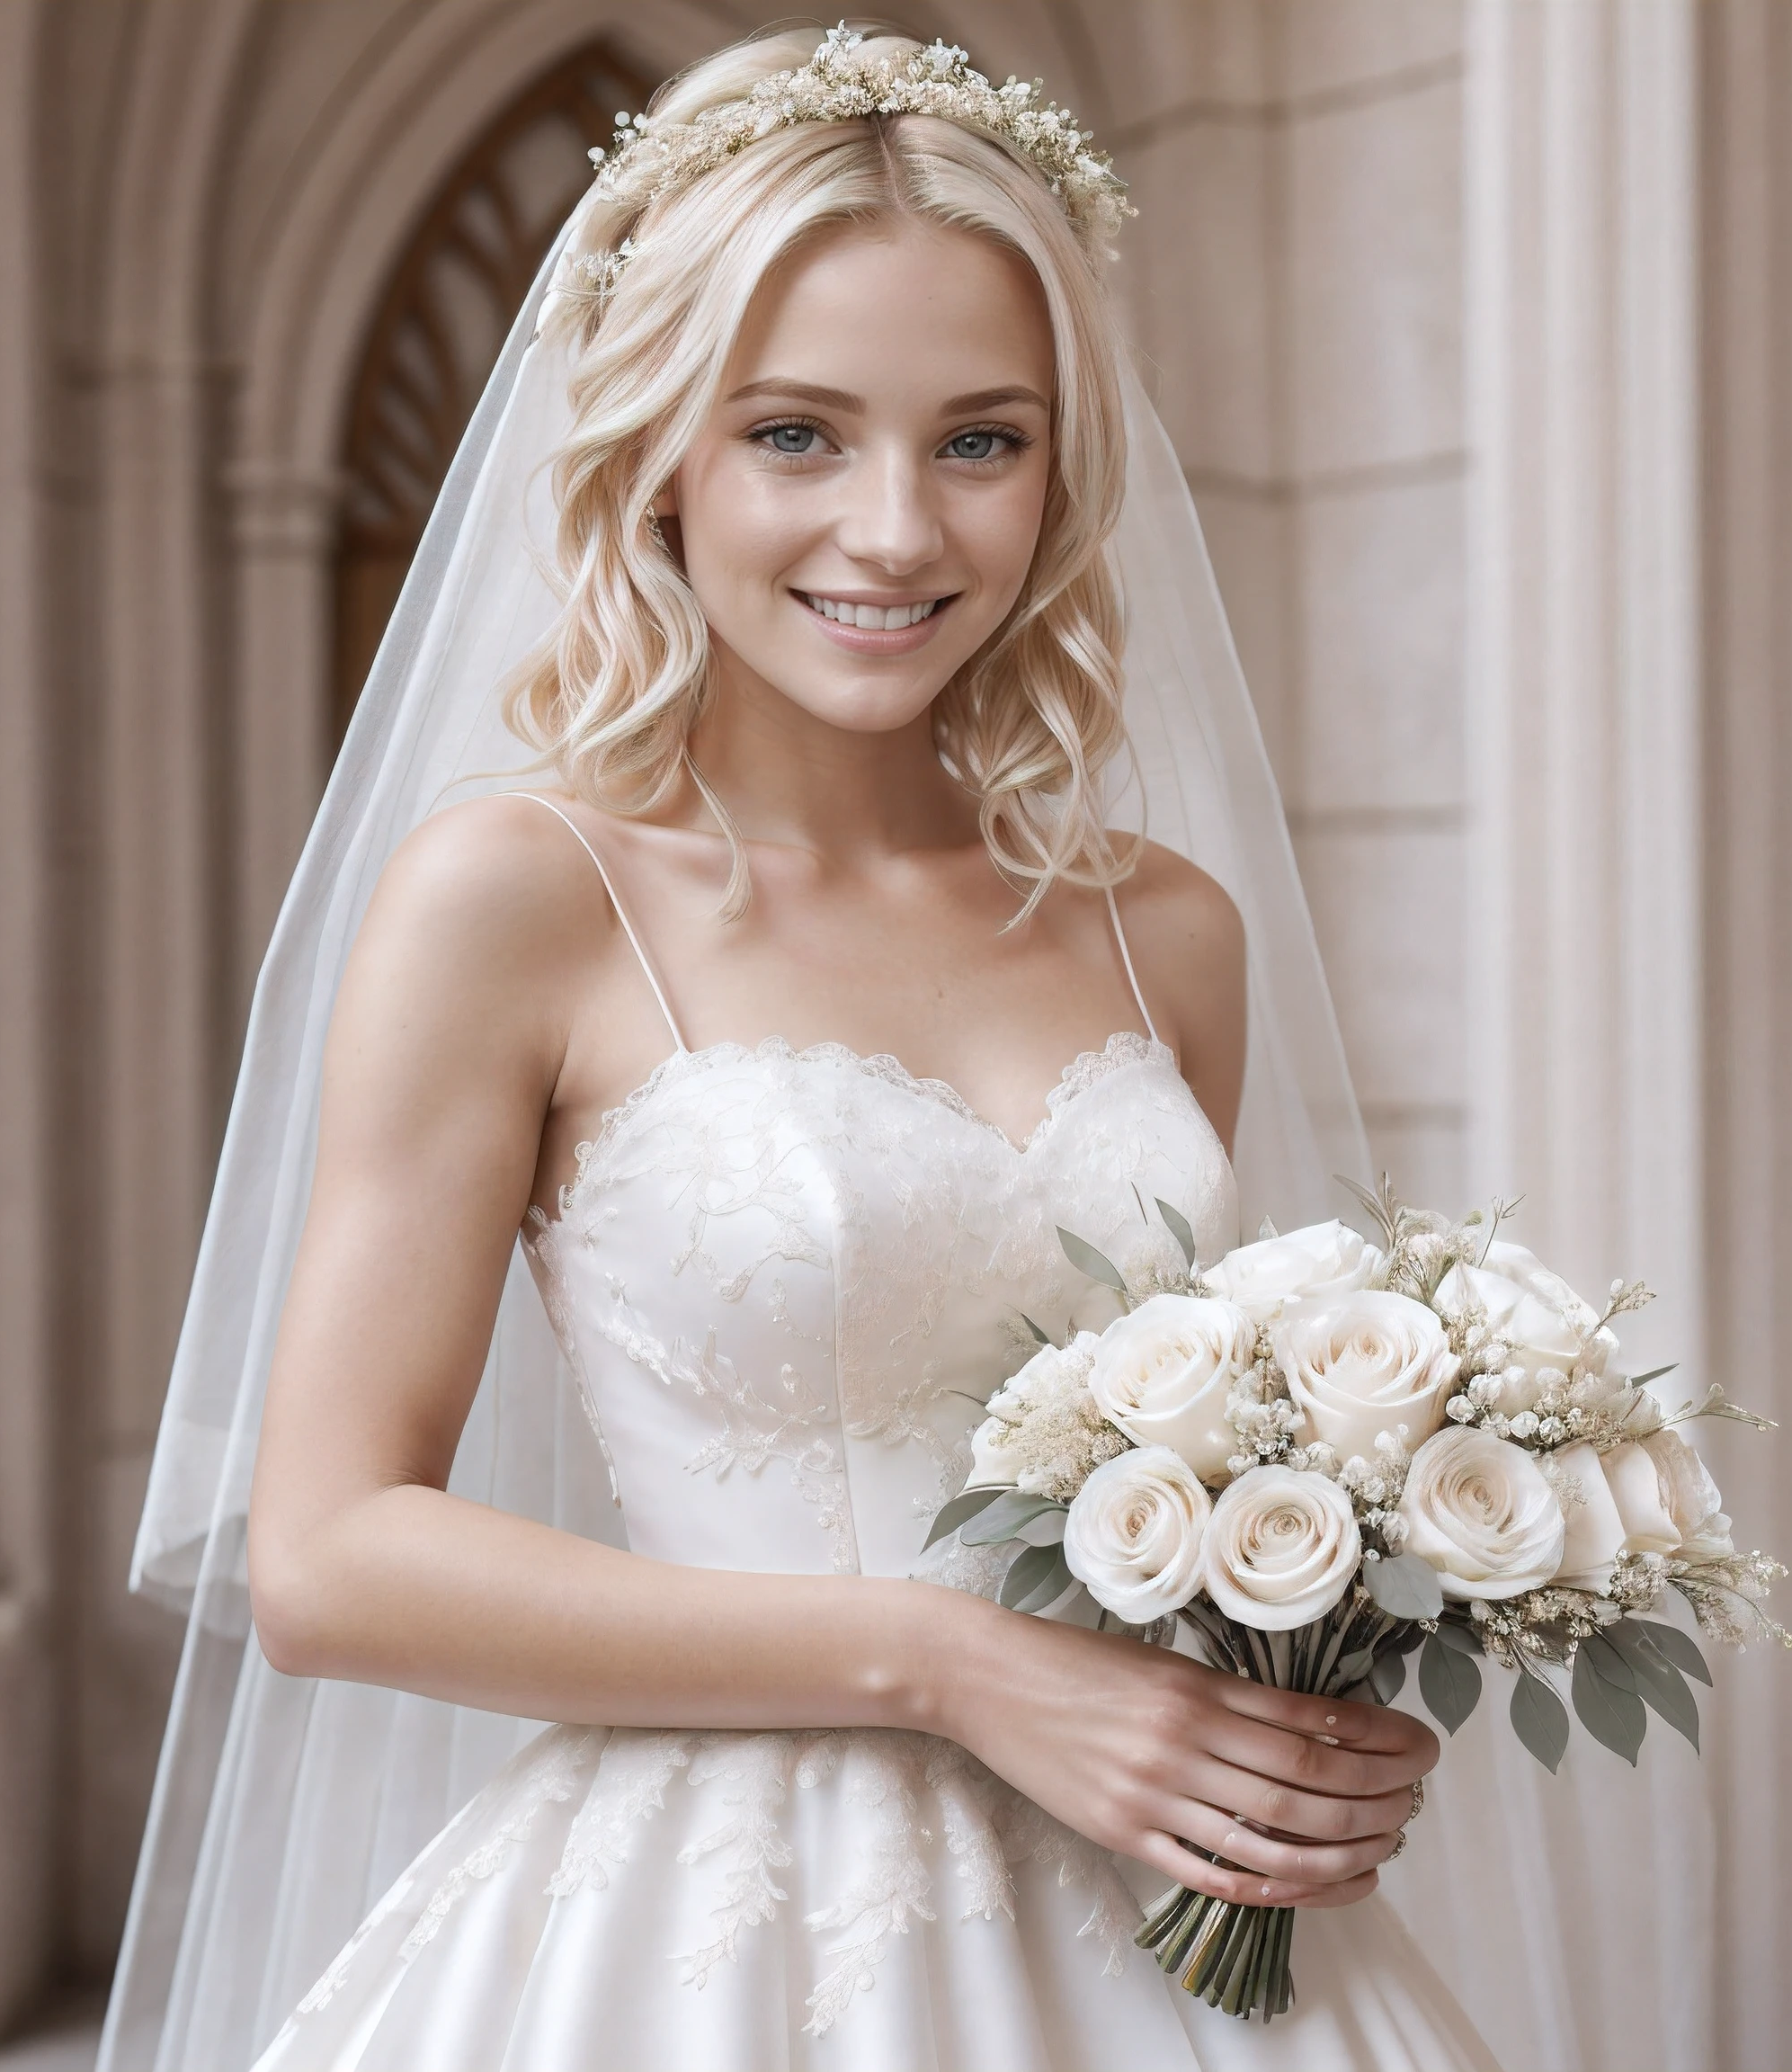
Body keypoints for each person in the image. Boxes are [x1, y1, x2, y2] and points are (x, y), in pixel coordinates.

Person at [103, 25, 1497, 2071]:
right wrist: (946, 1665)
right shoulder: (519, 899)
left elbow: (1174, 1469)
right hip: (713, 1940)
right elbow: (327, 1556)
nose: (897, 532)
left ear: (1064, 464)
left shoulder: (1163, 926)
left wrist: (1298, 1708)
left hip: (1160, 1932)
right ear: (661, 445)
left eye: (980, 440)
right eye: (795, 433)